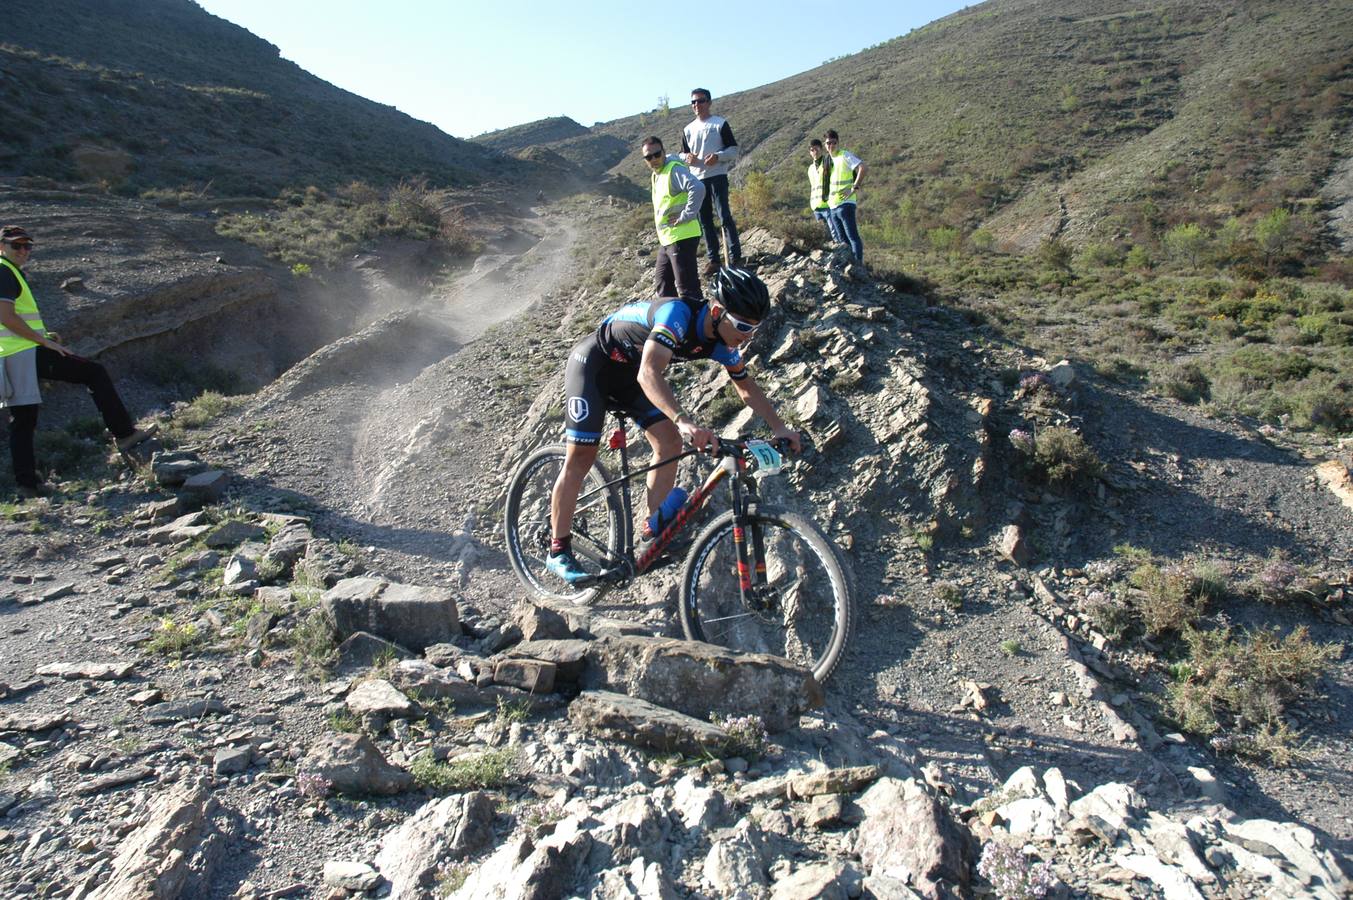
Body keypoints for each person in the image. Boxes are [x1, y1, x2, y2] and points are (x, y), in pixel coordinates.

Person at [546, 268, 800, 583]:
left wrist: (779, 427)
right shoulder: (676, 315)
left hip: (632, 378)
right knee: (582, 455)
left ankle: (651, 529)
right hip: (595, 367)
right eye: (742, 325)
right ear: (718, 311)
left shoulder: (723, 341)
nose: (748, 334)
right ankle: (558, 549)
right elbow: (649, 373)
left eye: (754, 327)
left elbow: (745, 386)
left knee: (668, 443)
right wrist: (683, 421)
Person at [0, 225, 156, 498]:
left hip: (13, 353)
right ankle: (124, 434)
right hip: (23, 352)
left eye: (28, 246)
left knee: (23, 419)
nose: (24, 251)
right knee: (93, 373)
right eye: (17, 246)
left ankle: (28, 485)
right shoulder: (3, 270)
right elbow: (5, 316)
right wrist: (44, 342)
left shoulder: (9, 271)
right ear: (2, 246)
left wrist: (45, 335)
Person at [680, 88, 743, 277]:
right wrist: (686, 158)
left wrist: (718, 156)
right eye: (693, 102)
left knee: (724, 216)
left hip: (717, 176)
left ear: (709, 102)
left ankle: (735, 257)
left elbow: (734, 149)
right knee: (705, 221)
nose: (696, 105)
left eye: (700, 101)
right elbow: (683, 153)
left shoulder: (720, 124)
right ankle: (714, 260)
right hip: (697, 180)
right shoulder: (688, 129)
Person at [642, 136, 705, 302]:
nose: (654, 159)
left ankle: (700, 326)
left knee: (688, 290)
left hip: (683, 236)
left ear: (663, 152)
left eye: (657, 154)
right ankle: (674, 324)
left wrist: (686, 215)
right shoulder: (657, 175)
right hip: (668, 239)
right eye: (649, 157)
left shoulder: (673, 170)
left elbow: (698, 187)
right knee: (663, 288)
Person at [824, 130, 866, 262]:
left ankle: (858, 265)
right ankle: (850, 264)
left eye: (833, 143)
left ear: (838, 143)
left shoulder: (844, 155)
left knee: (852, 237)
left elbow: (863, 167)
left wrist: (854, 187)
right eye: (828, 143)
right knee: (843, 241)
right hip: (833, 206)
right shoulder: (827, 160)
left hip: (846, 204)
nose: (831, 145)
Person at [807, 139, 843, 243]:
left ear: (821, 149)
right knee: (824, 236)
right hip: (816, 206)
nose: (815, 152)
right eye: (812, 150)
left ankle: (844, 255)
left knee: (835, 233)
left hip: (828, 205)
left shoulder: (828, 161)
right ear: (810, 152)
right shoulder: (810, 168)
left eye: (817, 149)